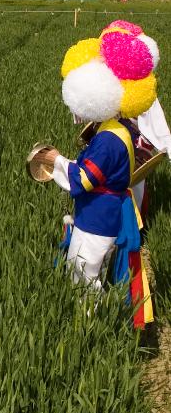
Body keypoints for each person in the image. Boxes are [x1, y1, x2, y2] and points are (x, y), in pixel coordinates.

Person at [33, 31, 156, 329]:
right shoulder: (119, 126)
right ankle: (95, 317)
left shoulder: (108, 139)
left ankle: (90, 323)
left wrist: (56, 160)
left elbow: (85, 179)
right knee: (87, 267)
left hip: (99, 215)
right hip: (106, 210)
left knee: (84, 270)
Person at [99, 21, 169, 213]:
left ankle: (131, 236)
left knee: (131, 190)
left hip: (133, 148)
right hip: (106, 144)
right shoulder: (99, 79)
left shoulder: (141, 87)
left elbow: (156, 122)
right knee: (101, 187)